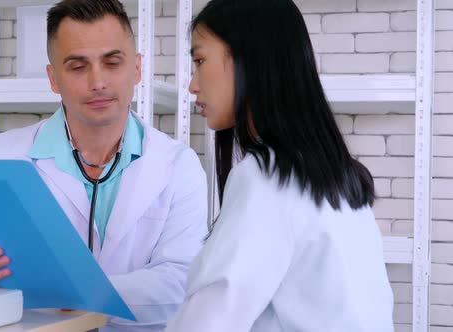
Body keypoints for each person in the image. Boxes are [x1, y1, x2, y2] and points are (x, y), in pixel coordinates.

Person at [0, 1, 207, 331]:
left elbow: (181, 283)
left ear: (136, 69)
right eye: (77, 66)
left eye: (112, 62)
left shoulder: (178, 164)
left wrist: (74, 292)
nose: (98, 81)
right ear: (53, 78)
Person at [165, 0, 394, 331]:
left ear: (250, 58)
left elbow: (209, 321)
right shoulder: (335, 174)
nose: (192, 85)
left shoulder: (267, 177)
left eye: (200, 61)